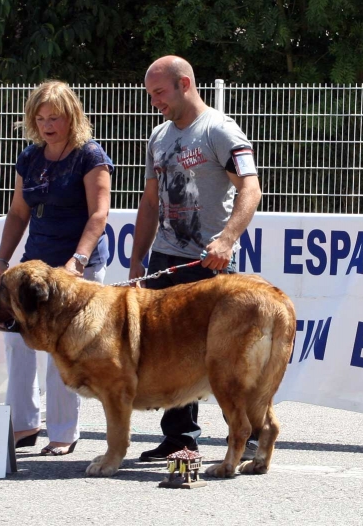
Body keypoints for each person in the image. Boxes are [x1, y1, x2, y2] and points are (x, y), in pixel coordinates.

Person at [129, 55, 262, 461]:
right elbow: (150, 202)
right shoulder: (158, 136)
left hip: (210, 265)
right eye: (151, 95)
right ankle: (180, 439)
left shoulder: (219, 130)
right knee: (166, 352)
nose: (155, 102)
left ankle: (250, 435)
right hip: (165, 261)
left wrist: (227, 240)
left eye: (159, 93)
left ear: (184, 83)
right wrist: (138, 260)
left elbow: (251, 189)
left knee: (224, 357)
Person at [0, 80, 114, 456]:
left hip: (78, 266)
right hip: (34, 267)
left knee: (63, 349)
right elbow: (17, 213)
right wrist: (1, 260)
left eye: (55, 117)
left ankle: (63, 432)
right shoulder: (29, 157)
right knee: (16, 342)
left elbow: (99, 214)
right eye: (41, 118)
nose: (47, 125)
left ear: (71, 116)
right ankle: (22, 426)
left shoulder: (90, 156)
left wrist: (76, 262)